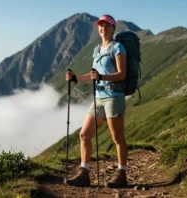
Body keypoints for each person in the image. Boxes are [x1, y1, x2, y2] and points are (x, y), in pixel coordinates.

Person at [65, 14, 128, 188]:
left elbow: (121, 74)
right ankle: (84, 174)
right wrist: (76, 78)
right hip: (98, 98)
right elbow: (93, 76)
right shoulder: (96, 50)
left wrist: (102, 76)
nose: (103, 28)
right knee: (84, 134)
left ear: (113, 28)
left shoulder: (118, 48)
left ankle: (122, 174)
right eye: (101, 26)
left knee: (117, 137)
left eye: (107, 26)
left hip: (113, 97)